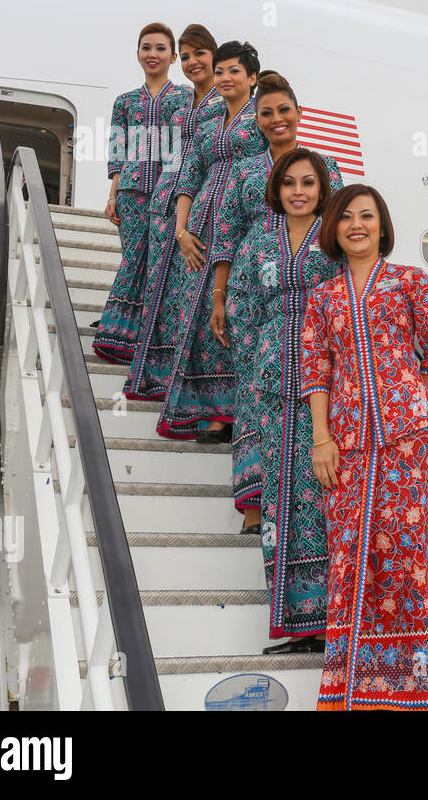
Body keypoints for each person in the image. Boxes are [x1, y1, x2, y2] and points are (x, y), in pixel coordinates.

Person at [302, 184, 428, 710]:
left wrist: (404, 399)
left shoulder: (410, 281)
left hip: (407, 443)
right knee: (349, 557)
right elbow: (315, 368)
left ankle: (408, 690)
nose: (356, 225)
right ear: (335, 229)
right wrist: (322, 437)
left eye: (366, 216)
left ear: (382, 226)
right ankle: (349, 689)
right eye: (346, 217)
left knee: (403, 555)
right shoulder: (323, 297)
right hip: (343, 444)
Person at [209, 71, 344, 531]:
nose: (275, 119)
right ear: (257, 120)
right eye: (265, 113)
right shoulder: (246, 170)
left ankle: (303, 513)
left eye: (283, 110)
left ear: (299, 114)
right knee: (253, 400)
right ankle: (254, 506)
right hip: (258, 292)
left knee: (311, 409)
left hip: (311, 292)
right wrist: (221, 296)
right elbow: (225, 233)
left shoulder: (325, 166)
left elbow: (341, 229)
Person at [239, 149, 342, 653]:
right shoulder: (260, 238)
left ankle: (335, 620)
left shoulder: (335, 236)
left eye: (308, 183)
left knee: (321, 498)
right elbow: (241, 300)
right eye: (289, 184)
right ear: (276, 189)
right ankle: (300, 624)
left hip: (325, 385)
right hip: (270, 383)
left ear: (322, 189)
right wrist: (256, 357)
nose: (298, 191)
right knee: (281, 502)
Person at [156, 41, 266, 443]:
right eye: (219, 71)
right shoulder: (208, 123)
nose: (224, 78)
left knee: (229, 315)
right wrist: (181, 231)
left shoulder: (261, 120)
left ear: (252, 78)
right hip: (199, 225)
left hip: (240, 224)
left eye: (234, 71)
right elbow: (188, 176)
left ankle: (228, 416)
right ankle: (201, 409)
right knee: (199, 315)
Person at [125, 24, 223, 400]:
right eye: (186, 56)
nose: (192, 62)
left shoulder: (222, 102)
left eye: (199, 53)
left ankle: (186, 385)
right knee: (158, 294)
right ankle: (157, 377)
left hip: (197, 210)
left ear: (213, 55)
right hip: (163, 206)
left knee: (186, 300)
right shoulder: (183, 104)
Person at [94, 22, 190, 362]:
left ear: (173, 56)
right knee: (133, 259)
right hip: (132, 192)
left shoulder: (185, 99)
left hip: (168, 194)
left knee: (158, 265)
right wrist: (112, 194)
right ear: (138, 53)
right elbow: (117, 149)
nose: (153, 54)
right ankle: (119, 334)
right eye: (146, 47)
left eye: (160, 48)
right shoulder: (125, 101)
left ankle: (144, 336)